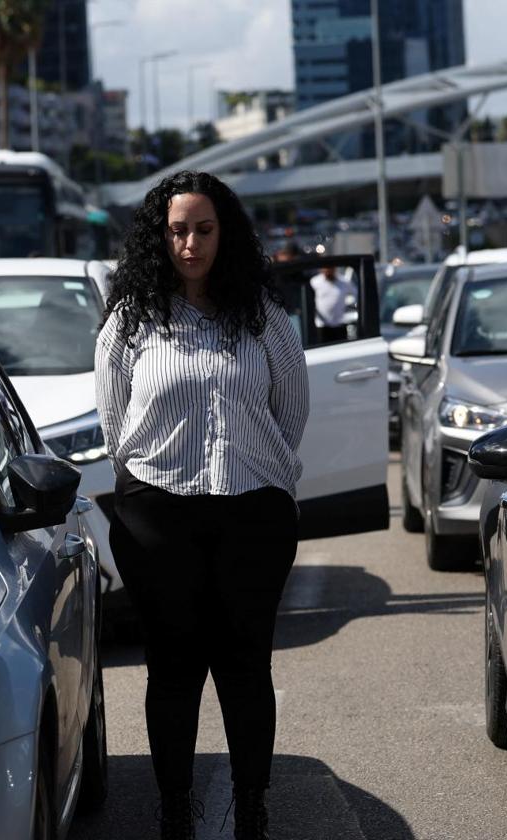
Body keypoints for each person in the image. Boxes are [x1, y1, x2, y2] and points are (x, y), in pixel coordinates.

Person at [95, 171, 309, 840]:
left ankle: (252, 804)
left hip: (253, 514)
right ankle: (174, 804)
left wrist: (251, 467)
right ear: (161, 238)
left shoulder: (264, 317)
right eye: (178, 231)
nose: (190, 244)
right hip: (159, 516)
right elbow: (113, 425)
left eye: (204, 229)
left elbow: (291, 410)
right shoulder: (130, 322)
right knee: (174, 666)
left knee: (246, 666)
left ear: (227, 234)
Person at [309, 264, 354, 343]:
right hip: (322, 326)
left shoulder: (344, 282)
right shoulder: (314, 282)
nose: (327, 270)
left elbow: (357, 294)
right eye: (325, 268)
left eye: (330, 268)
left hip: (339, 325)